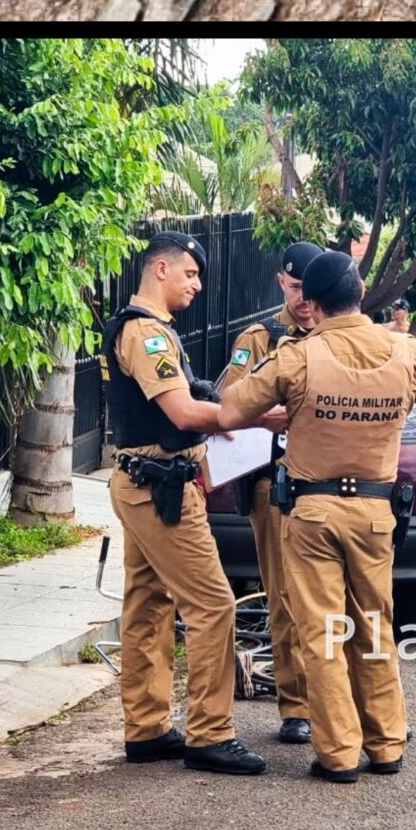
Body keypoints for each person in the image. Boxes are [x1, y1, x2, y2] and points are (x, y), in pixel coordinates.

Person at [216, 249, 416, 782]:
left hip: (312, 513)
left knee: (320, 631)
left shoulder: (296, 356)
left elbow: (229, 409)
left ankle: (338, 754)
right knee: (375, 627)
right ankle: (386, 745)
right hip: (375, 512)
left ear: (311, 304)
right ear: (362, 294)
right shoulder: (405, 349)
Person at [99, 229, 264, 773]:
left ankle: (146, 729)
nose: (197, 285)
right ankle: (210, 733)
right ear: (161, 270)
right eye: (191, 274)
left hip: (144, 482)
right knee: (213, 604)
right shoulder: (146, 334)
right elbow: (183, 413)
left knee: (149, 605)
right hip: (159, 488)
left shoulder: (149, 330)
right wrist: (252, 416)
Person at [221, 242, 318, 745]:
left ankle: (339, 700)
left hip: (330, 485)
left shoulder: (338, 334)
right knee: (283, 596)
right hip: (275, 484)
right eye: (295, 287)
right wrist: (266, 413)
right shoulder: (261, 338)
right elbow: (228, 403)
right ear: (282, 282)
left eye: (311, 288)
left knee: (338, 599)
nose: (303, 299)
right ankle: (296, 705)